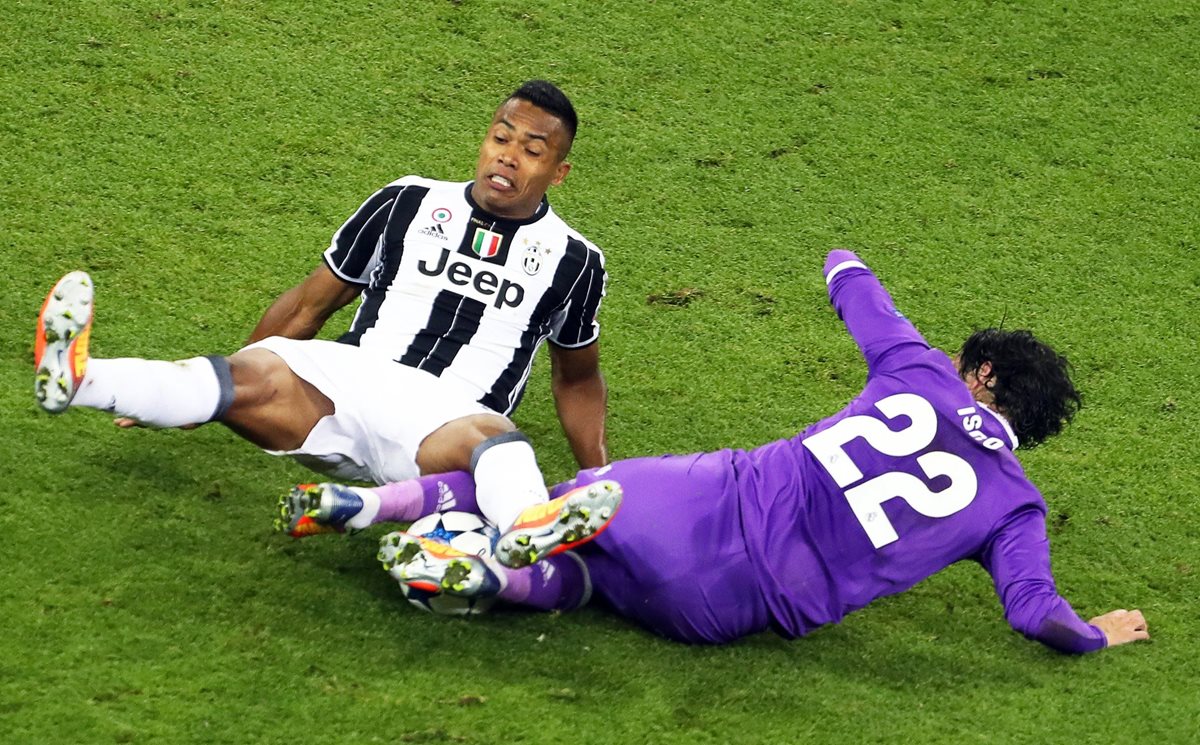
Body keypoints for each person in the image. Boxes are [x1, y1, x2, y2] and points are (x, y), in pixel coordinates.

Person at [289, 249, 1149, 654]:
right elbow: (1038, 612)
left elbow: (853, 281)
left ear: (981, 370)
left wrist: (840, 261)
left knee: (541, 495)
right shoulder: (1016, 505)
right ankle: (496, 582)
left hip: (696, 499)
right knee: (592, 586)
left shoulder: (922, 372)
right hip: (723, 609)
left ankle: (378, 506)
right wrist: (1099, 634)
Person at [33, 80, 612, 537]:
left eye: (531, 151)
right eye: (501, 138)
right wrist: (213, 396)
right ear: (484, 139)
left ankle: (530, 526)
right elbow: (311, 304)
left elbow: (577, 377)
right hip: (349, 383)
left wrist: (598, 473)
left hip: (449, 421)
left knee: (498, 442)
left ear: (557, 173)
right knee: (252, 374)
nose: (508, 158)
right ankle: (81, 378)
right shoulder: (406, 201)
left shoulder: (576, 260)